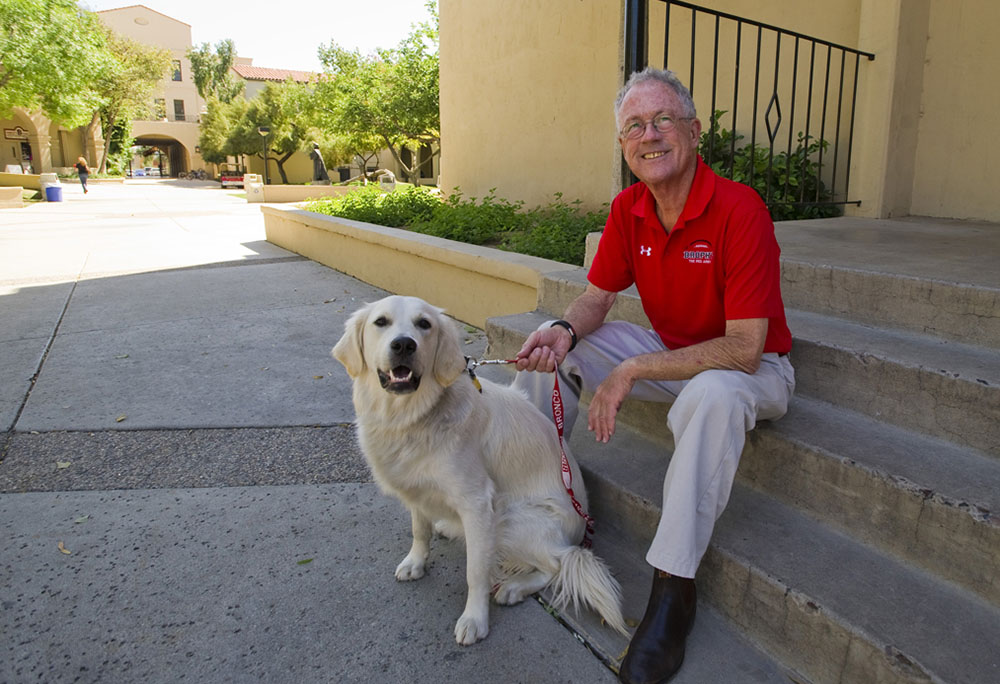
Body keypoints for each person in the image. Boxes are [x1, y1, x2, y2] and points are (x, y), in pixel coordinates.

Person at [514, 67, 795, 684]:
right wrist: (562, 331)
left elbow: (746, 348)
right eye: (634, 126)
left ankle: (673, 592)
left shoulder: (738, 209)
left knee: (716, 392)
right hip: (674, 352)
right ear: (623, 146)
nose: (650, 135)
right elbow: (596, 299)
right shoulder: (630, 207)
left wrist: (635, 368)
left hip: (754, 370)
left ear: (693, 133)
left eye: (662, 120)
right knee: (555, 351)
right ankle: (525, 505)